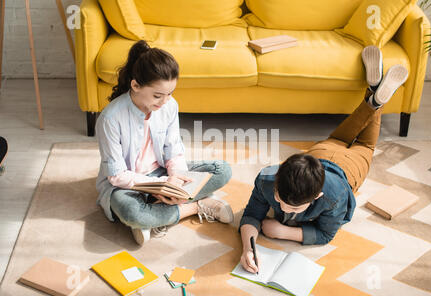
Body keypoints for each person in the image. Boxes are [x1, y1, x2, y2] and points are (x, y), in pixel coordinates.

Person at [239, 46, 409, 273]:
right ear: (278, 174)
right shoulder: (266, 179)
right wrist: (247, 249)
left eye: (293, 206)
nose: (281, 206)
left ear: (317, 197)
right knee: (339, 137)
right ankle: (374, 97)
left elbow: (326, 233)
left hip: (349, 168)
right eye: (279, 198)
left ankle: (375, 99)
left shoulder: (334, 196)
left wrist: (284, 232)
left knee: (363, 144)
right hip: (319, 156)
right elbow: (251, 214)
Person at [96, 40, 233, 246]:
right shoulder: (110, 119)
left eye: (170, 93)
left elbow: (174, 150)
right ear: (135, 85)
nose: (165, 101)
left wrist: (176, 179)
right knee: (131, 212)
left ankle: (156, 214)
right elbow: (116, 176)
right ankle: (196, 206)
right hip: (130, 184)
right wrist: (160, 187)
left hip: (163, 173)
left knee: (222, 169)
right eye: (158, 95)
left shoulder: (169, 106)